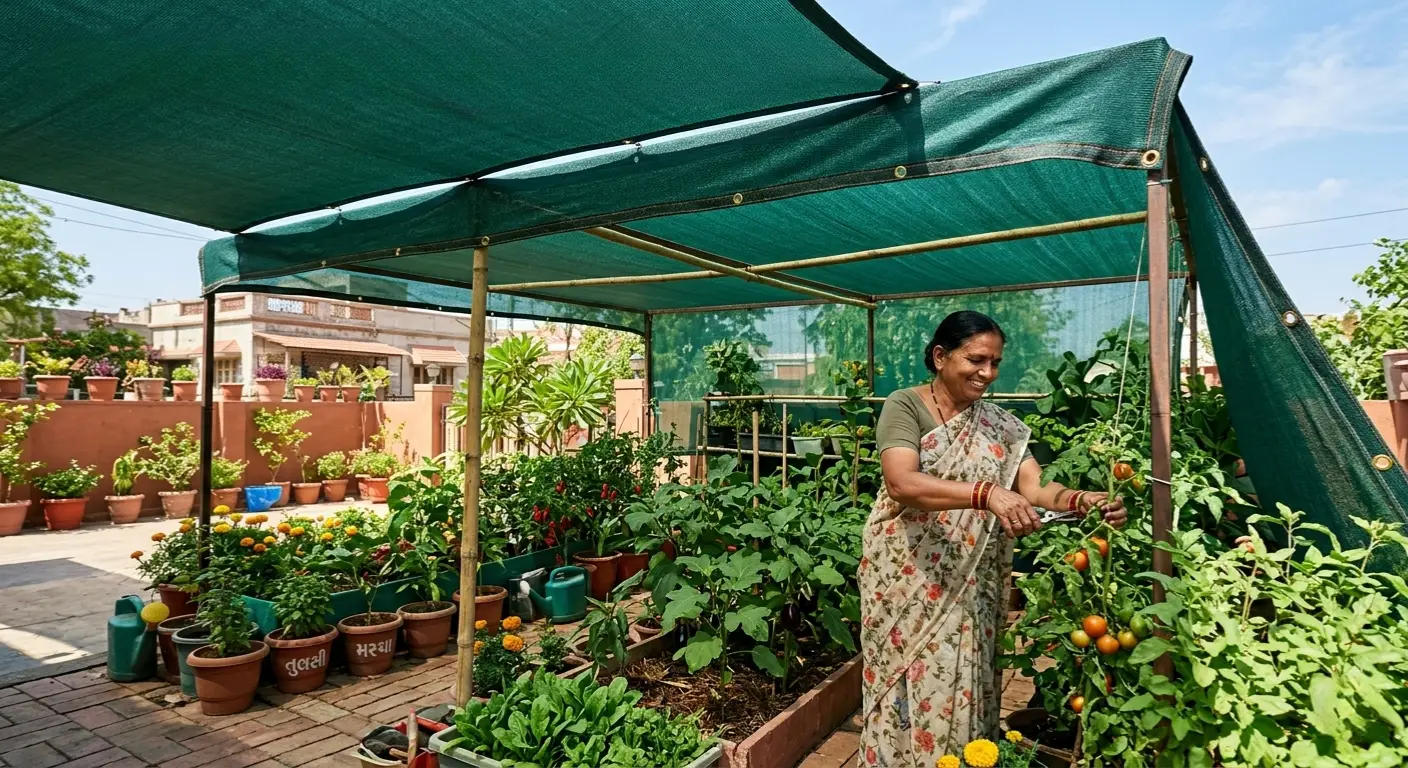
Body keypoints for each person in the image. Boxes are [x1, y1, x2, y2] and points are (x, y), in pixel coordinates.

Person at [858, 311, 1127, 765]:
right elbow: (901, 482)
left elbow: (1036, 487)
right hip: (906, 577)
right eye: (976, 359)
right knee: (902, 678)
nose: (988, 373)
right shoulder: (905, 406)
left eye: (995, 362)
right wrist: (986, 493)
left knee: (961, 676)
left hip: (970, 580)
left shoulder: (1001, 425)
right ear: (940, 357)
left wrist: (1082, 499)